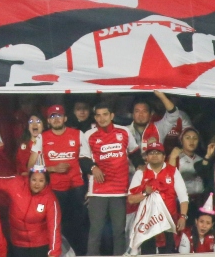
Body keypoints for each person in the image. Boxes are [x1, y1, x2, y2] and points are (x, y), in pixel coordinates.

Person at [81, 105, 133, 256]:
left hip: (120, 191)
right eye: (98, 115)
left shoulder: (124, 131)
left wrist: (142, 170)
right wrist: (93, 168)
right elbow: (83, 158)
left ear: (112, 115)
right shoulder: (89, 134)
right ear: (95, 117)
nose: (101, 118)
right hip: (98, 191)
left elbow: (135, 152)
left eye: (105, 114)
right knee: (95, 231)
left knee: (119, 231)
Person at [33, 105, 85, 256]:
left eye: (59, 116)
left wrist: (90, 190)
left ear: (65, 118)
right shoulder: (42, 137)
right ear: (48, 120)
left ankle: (80, 254)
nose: (56, 119)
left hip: (77, 187)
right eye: (52, 117)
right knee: (57, 226)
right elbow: (32, 167)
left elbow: (88, 161)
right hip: (55, 189)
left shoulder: (78, 134)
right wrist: (54, 168)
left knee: (79, 226)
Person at [128, 140, 186, 255]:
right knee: (147, 253)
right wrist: (145, 192)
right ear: (147, 157)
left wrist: (183, 216)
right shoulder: (140, 173)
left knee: (167, 253)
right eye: (151, 153)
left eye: (158, 152)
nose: (154, 155)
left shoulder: (173, 171)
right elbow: (131, 199)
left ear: (164, 156)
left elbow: (183, 197)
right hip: (148, 223)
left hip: (168, 222)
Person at [0, 169, 60, 257]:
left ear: (46, 182)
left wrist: (54, 252)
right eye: (34, 180)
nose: (37, 184)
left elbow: (54, 228)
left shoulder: (50, 199)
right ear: (29, 179)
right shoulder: (17, 183)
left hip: (40, 245)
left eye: (41, 181)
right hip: (17, 243)